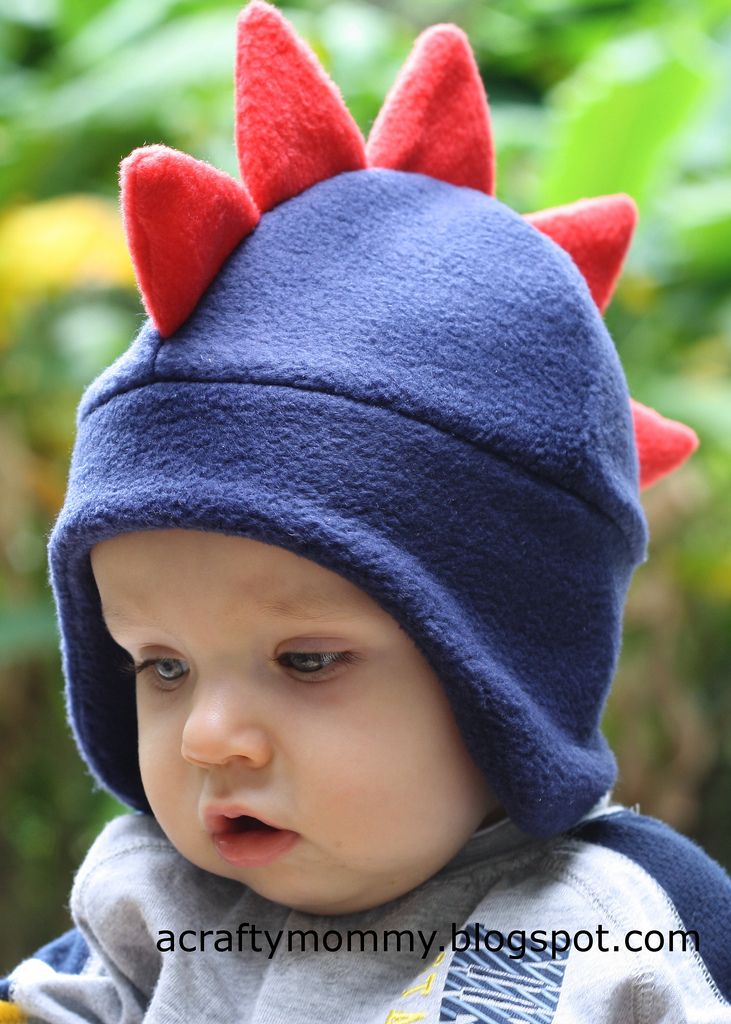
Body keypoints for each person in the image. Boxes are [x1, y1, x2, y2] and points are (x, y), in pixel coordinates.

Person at [2, 2, 729, 1020]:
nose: (209, 737)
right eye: (161, 666)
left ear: (508, 676)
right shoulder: (142, 909)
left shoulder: (620, 934)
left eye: (305, 659)